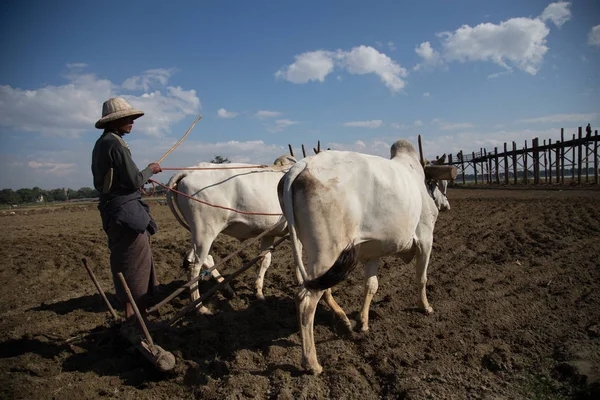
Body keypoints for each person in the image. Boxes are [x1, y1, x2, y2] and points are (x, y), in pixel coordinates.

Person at [91, 97, 162, 339]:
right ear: (115, 121)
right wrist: (150, 170)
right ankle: (138, 324)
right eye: (127, 118)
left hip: (114, 212)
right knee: (136, 267)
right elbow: (133, 181)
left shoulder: (103, 144)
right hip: (126, 214)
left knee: (124, 263)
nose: (132, 122)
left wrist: (141, 176)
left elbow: (124, 179)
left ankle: (131, 318)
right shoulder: (116, 144)